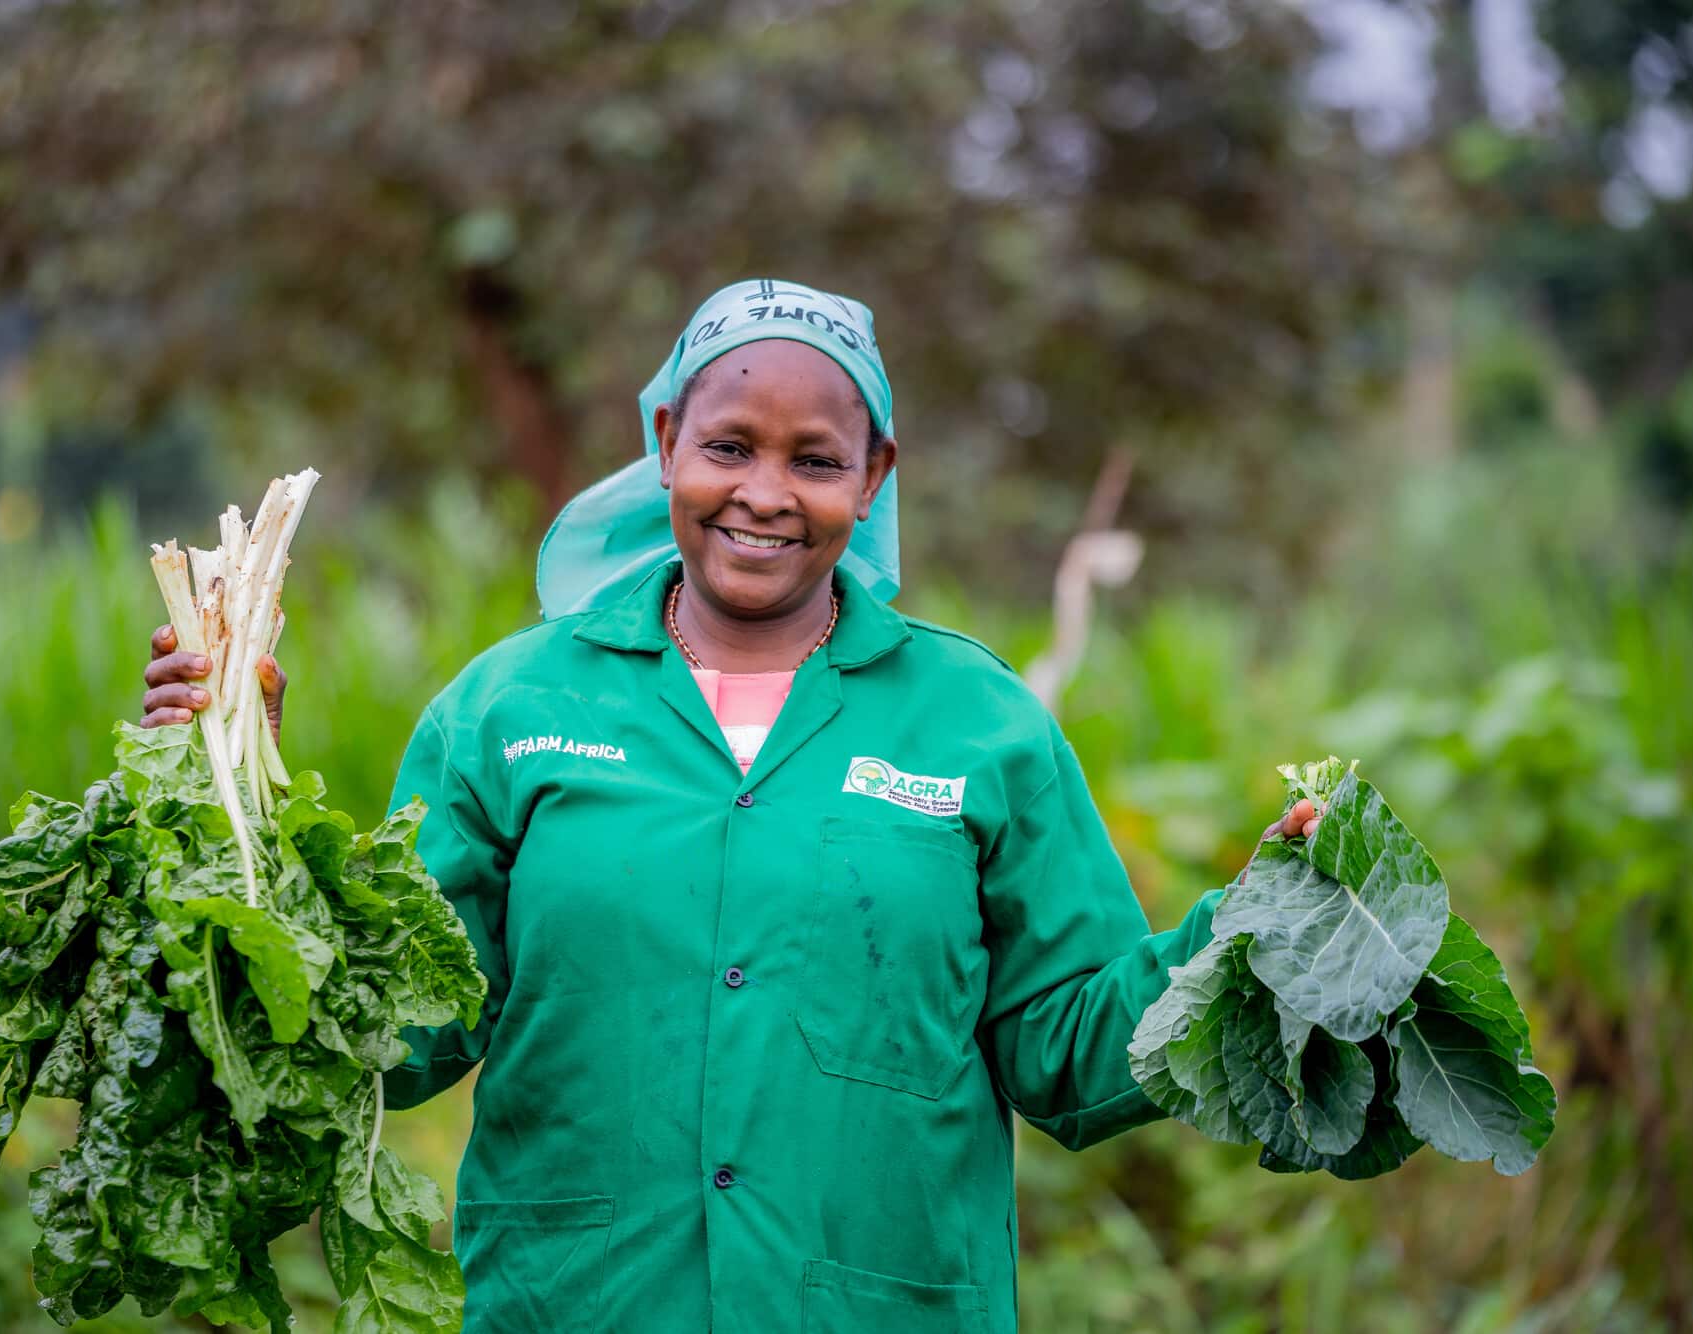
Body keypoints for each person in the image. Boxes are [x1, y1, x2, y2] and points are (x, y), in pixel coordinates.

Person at [140, 279, 1319, 1332]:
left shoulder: (977, 720)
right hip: (579, 1303)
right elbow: (392, 1037)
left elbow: (1069, 1055)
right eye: (728, 447)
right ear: (664, 444)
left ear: (873, 477)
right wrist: (239, 795)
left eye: (814, 459)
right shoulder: (505, 708)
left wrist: (1248, 932)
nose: (764, 493)